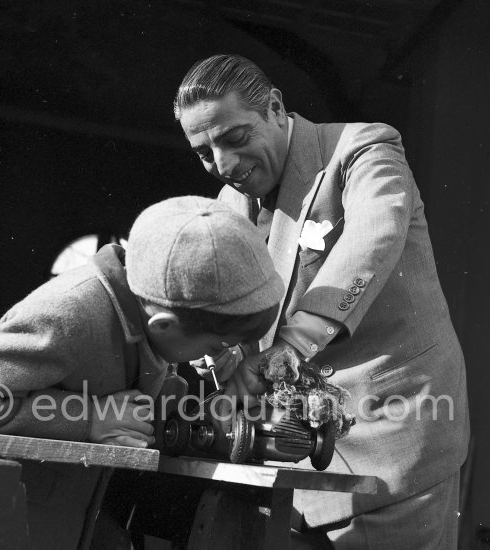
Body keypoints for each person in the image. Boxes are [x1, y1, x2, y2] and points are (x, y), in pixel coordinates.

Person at [174, 54, 470, 549]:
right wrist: (215, 345)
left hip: (395, 452)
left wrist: (293, 343)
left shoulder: (364, 148)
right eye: (204, 153)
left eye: (235, 138)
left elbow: (373, 240)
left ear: (274, 107)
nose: (223, 166)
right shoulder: (229, 206)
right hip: (291, 458)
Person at [0, 195, 284, 549]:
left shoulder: (149, 301)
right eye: (216, 346)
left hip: (78, 518)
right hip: (11, 524)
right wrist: (89, 419)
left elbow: (134, 394)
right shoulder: (70, 315)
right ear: (164, 325)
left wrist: (204, 418)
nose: (221, 355)